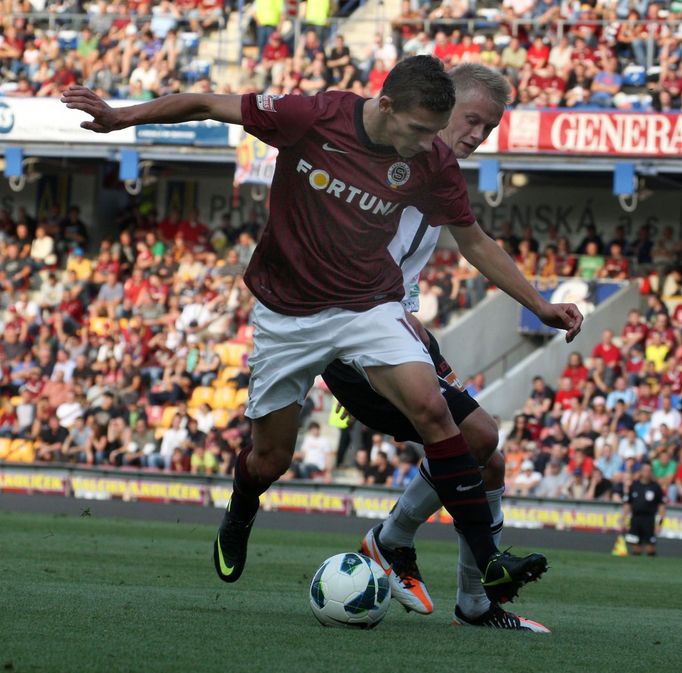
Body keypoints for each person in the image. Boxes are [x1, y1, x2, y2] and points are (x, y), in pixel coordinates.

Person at [62, 56, 580, 611]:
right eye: (424, 129)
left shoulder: (431, 162)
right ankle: (242, 509)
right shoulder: (314, 116)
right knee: (271, 459)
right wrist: (122, 118)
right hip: (288, 315)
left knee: (441, 414)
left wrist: (540, 305)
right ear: (386, 107)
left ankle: (488, 560)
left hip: (367, 307)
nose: (436, 144)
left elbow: (475, 242)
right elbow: (210, 103)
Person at [322, 64, 582, 631]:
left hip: (394, 327)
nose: (476, 135)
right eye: (471, 120)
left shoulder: (438, 176)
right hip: (358, 331)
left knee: (490, 457)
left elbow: (473, 242)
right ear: (440, 108)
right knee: (479, 434)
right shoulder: (384, 161)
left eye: (488, 129)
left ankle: (470, 600)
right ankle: (398, 546)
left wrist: (537, 302)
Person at [623, 462, 666, 556]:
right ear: (641, 472)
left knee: (650, 548)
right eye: (645, 470)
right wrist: (624, 518)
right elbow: (627, 503)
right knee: (636, 547)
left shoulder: (655, 487)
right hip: (635, 519)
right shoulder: (634, 486)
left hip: (649, 520)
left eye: (649, 470)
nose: (647, 472)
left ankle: (652, 567)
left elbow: (661, 506)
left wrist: (660, 523)